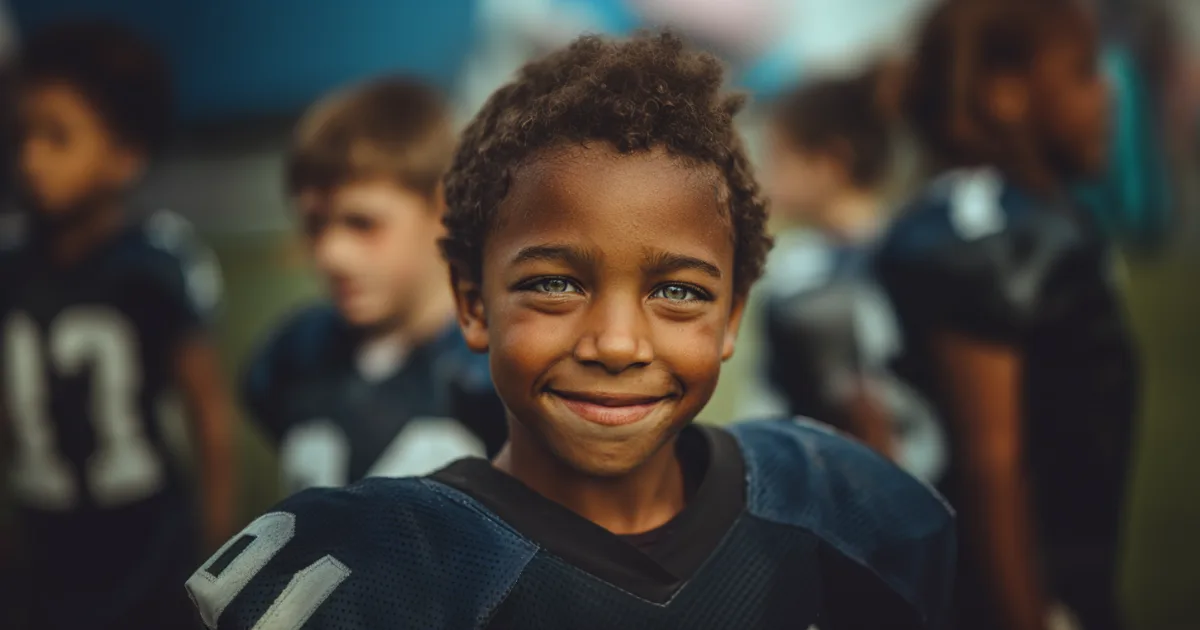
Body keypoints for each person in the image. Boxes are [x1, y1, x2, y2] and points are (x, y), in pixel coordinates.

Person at [188, 32, 955, 630]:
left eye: (678, 291)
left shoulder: (832, 505)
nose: (617, 344)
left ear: (732, 318)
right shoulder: (385, 572)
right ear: (473, 302)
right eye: (555, 283)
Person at [876, 1, 1137, 629]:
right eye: (1082, 71)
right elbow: (991, 465)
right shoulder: (990, 238)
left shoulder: (1039, 217)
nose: (1107, 92)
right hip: (999, 591)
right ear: (1005, 92)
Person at [0, 21, 234, 630]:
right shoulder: (11, 265)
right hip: (45, 547)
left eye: (58, 138)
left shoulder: (153, 265)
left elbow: (207, 414)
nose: (31, 159)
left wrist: (217, 545)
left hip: (148, 545)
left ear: (125, 155)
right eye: (23, 136)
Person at [241, 77, 505, 495]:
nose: (331, 254)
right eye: (314, 225)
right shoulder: (294, 356)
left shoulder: (492, 371)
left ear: (444, 210)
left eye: (362, 223)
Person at [756, 73, 946, 483]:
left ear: (831, 162)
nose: (765, 178)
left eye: (778, 158)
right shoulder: (797, 262)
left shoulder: (904, 259)